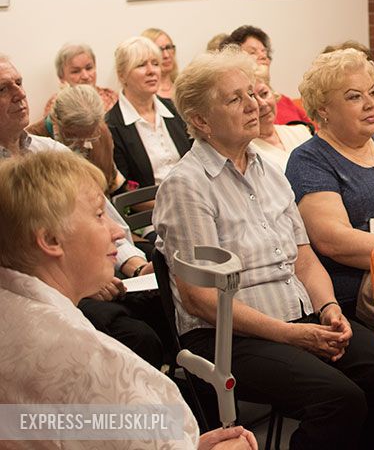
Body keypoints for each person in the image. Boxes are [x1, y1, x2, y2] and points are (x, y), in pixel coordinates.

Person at [154, 46, 374, 450]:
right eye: (235, 99)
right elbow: (201, 300)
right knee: (338, 399)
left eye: (252, 94)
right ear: (200, 120)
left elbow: (304, 259)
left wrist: (329, 310)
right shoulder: (187, 185)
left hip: (301, 316)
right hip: (230, 336)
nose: (253, 105)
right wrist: (291, 336)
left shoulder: (267, 171)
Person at [0, 150, 256, 450]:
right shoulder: (87, 359)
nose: (119, 232)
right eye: (98, 215)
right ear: (51, 240)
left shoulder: (15, 309)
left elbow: (35, 423)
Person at [0, 56, 168, 369]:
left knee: (169, 306)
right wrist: (83, 276)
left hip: (93, 273)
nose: (19, 94)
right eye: (3, 89)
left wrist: (132, 264)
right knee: (138, 338)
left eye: (19, 83)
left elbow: (105, 219)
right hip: (41, 294)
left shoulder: (52, 152)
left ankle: (199, 409)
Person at [286, 48, 374, 324]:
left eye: (372, 92)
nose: (371, 104)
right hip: (363, 291)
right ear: (324, 109)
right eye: (354, 97)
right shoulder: (309, 158)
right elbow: (332, 240)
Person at [106, 36, 191, 191]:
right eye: (141, 65)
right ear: (122, 75)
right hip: (150, 211)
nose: (152, 71)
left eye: (155, 64)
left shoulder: (175, 110)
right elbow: (124, 192)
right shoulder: (111, 126)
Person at [28, 84, 124, 195]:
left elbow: (111, 179)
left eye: (90, 136)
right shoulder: (32, 142)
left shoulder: (101, 131)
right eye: (72, 136)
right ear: (55, 120)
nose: (82, 144)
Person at [221, 25, 312, 126]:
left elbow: (312, 130)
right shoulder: (243, 110)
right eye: (253, 52)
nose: (263, 56)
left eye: (264, 51)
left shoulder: (284, 100)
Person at [250, 70, 311, 171]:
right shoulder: (247, 151)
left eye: (264, 94)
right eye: (253, 99)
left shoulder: (301, 131)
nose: (262, 104)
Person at [41, 42, 118, 116]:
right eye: (76, 71)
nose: (85, 76)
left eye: (89, 68)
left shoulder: (111, 97)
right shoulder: (56, 104)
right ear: (61, 77)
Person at [142, 27, 179, 103]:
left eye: (168, 47)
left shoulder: (183, 88)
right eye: (159, 50)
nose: (166, 55)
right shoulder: (144, 96)